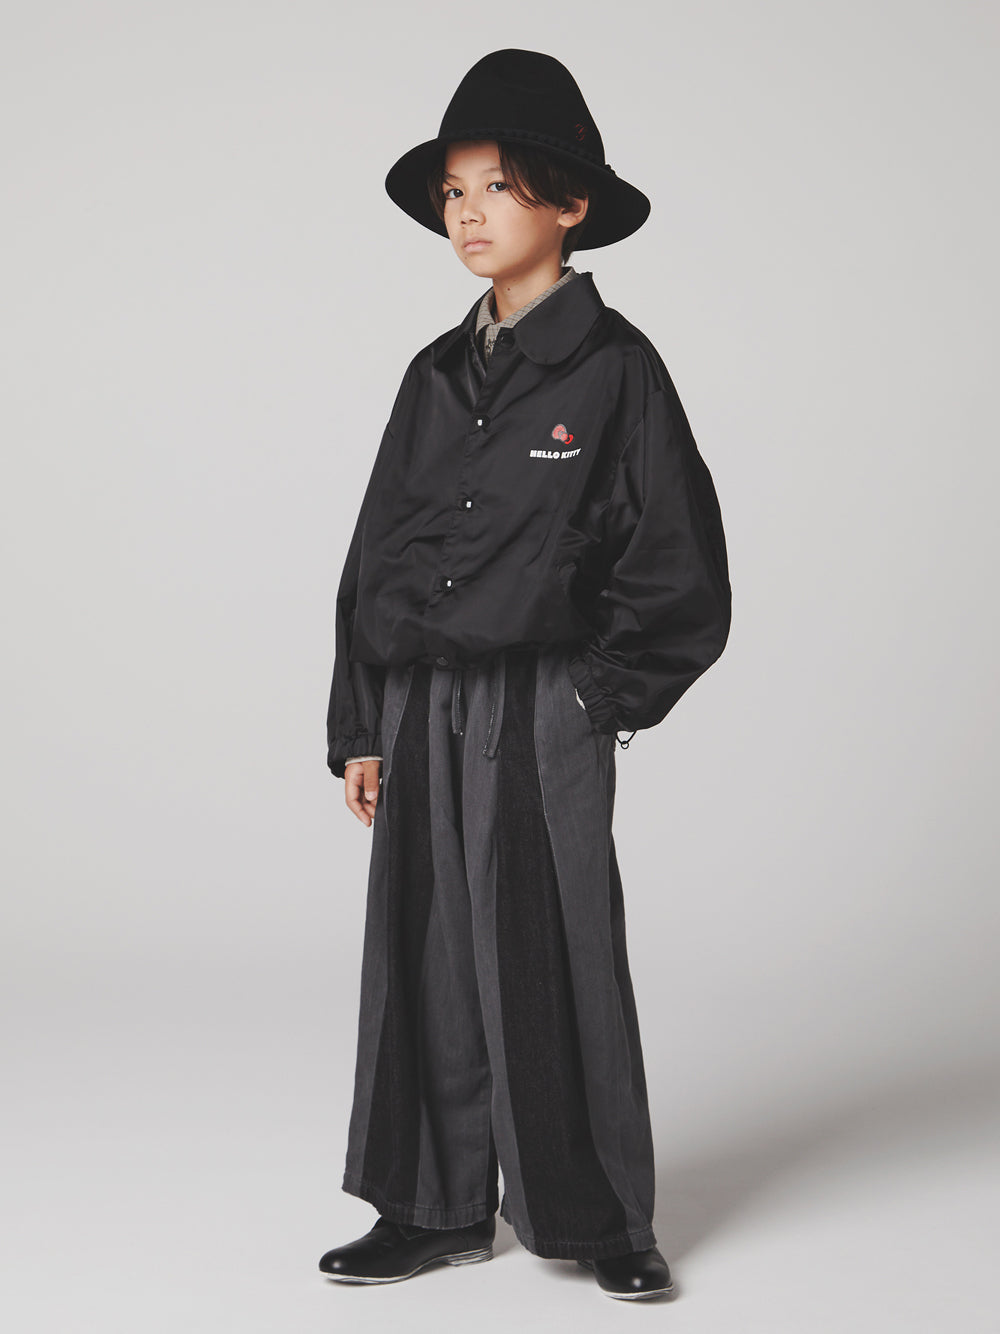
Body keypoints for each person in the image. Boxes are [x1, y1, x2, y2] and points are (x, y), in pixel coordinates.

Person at [319, 48, 732, 1301]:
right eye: (453, 191)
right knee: (424, 947)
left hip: (542, 699)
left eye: (497, 186)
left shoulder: (616, 370)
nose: (469, 213)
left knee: (556, 948)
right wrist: (361, 723)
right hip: (420, 700)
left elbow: (679, 564)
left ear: (570, 202)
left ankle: (601, 1213)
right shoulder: (432, 377)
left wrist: (594, 698)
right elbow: (375, 555)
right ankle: (431, 1204)